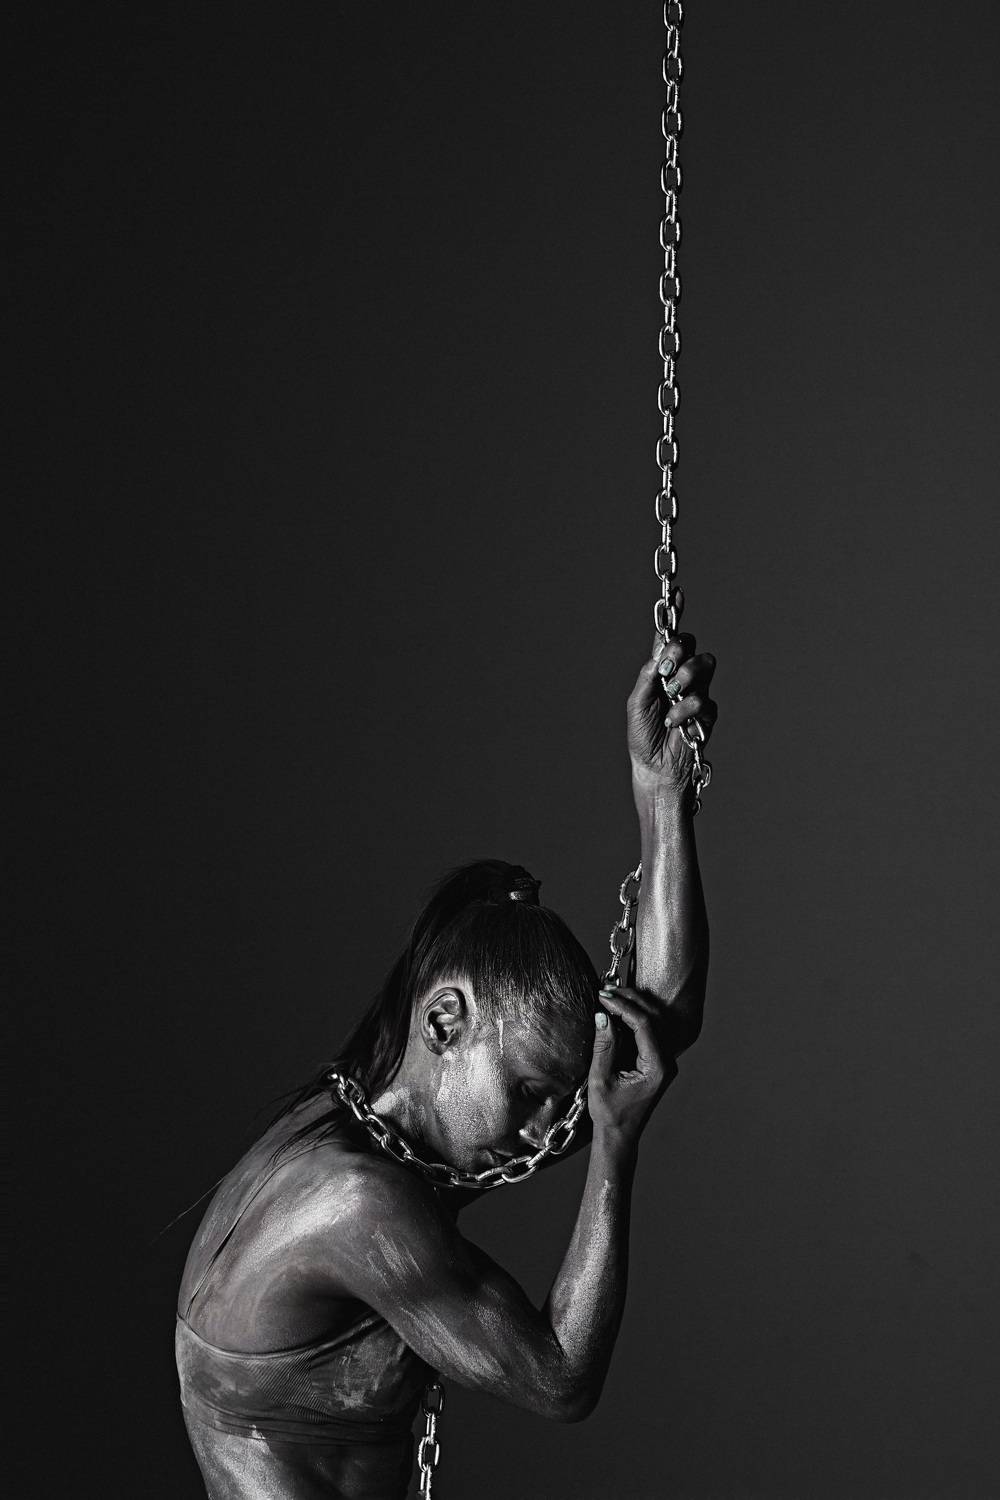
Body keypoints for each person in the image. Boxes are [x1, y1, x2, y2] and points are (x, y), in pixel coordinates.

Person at [176, 632, 717, 1500]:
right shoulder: (354, 1200)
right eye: (531, 1093)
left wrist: (661, 794)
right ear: (444, 1022)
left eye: (557, 1103)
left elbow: (661, 1023)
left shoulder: (396, 1128)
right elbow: (559, 1379)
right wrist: (616, 1150)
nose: (546, 1134)